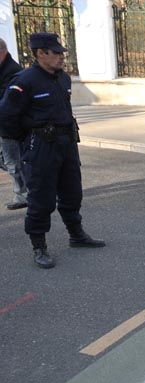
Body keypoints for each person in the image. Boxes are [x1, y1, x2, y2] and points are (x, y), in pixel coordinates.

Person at [0, 32, 105, 268]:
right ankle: (39, 246)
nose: (61, 57)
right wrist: (29, 140)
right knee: (41, 199)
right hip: (41, 148)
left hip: (66, 145)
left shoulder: (63, 79)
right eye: (56, 53)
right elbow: (6, 119)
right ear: (40, 54)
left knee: (72, 192)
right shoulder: (23, 81)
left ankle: (76, 235)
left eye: (61, 53)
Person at [0, 37, 27, 210]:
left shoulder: (12, 71)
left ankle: (23, 194)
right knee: (12, 161)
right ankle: (28, 190)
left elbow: (7, 101)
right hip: (5, 126)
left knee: (13, 162)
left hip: (11, 126)